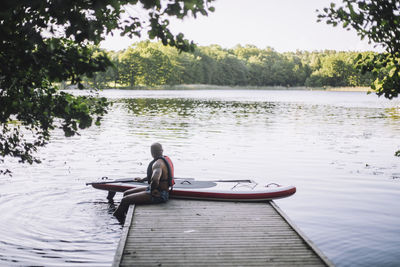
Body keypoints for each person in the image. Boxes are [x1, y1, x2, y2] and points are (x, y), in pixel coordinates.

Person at [113, 142, 174, 221]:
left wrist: (153, 190)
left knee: (125, 200)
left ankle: (117, 219)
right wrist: (142, 179)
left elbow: (155, 180)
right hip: (160, 190)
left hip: (159, 194)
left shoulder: (158, 164)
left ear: (152, 152)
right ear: (162, 151)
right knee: (126, 193)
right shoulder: (164, 160)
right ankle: (124, 215)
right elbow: (158, 176)